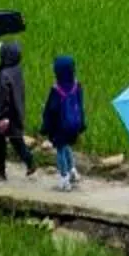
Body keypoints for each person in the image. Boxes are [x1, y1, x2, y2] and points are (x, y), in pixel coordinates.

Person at [39, 54, 88, 192]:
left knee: (60, 149)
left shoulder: (56, 90)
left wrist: (45, 127)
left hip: (60, 127)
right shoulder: (77, 86)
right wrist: (82, 124)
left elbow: (51, 110)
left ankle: (64, 178)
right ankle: (72, 171)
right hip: (74, 125)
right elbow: (80, 105)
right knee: (67, 146)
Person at [0, 39, 35, 180]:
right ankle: (30, 162)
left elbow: (4, 98)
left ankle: (1, 171)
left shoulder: (4, 75)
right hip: (16, 111)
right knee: (16, 139)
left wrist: (3, 117)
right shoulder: (15, 69)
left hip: (5, 115)